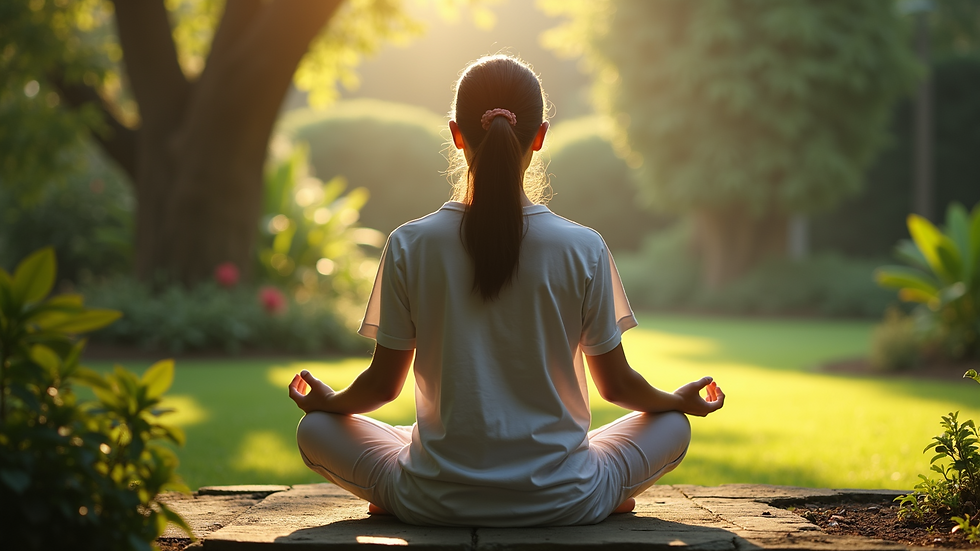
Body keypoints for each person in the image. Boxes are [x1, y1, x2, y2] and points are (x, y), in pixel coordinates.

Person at [288, 55, 725, 527]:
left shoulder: (410, 244)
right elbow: (616, 386)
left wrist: (328, 404)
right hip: (566, 499)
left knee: (315, 430)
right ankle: (605, 493)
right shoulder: (583, 247)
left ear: (457, 136)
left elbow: (382, 385)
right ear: (539, 138)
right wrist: (676, 401)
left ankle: (400, 492)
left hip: (432, 502)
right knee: (672, 427)